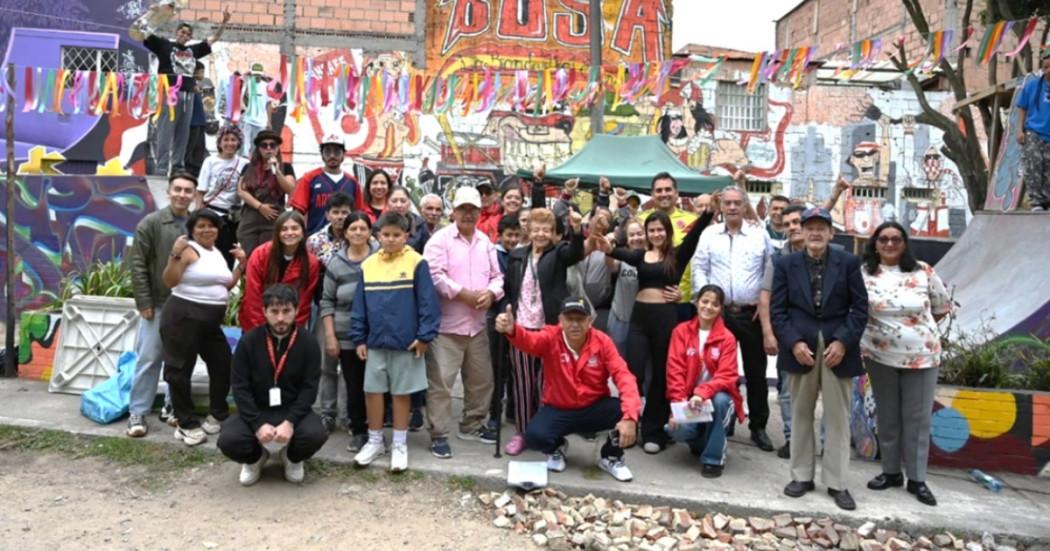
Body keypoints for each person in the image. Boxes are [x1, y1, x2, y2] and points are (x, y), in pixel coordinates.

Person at [771, 207, 868, 511]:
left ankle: (837, 482)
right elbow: (778, 311)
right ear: (801, 231)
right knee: (800, 413)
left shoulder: (848, 262)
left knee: (838, 417)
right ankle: (801, 476)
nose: (815, 233)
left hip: (838, 347)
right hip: (801, 348)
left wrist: (843, 341)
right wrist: (793, 343)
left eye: (821, 228)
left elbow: (860, 308)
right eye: (809, 227)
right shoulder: (785, 264)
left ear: (831, 232)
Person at [594, 207, 710, 454]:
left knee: (660, 375)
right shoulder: (640, 256)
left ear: (667, 232)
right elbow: (614, 250)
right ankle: (629, 422)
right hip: (639, 319)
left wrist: (709, 212)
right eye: (652, 230)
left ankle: (653, 430)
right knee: (633, 372)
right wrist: (606, 242)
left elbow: (696, 233)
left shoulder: (678, 255)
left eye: (660, 230)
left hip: (665, 319)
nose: (656, 234)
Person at [494, 297, 640, 482]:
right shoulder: (550, 337)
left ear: (590, 321)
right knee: (534, 436)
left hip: (594, 406)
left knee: (628, 412)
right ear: (560, 320)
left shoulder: (603, 342)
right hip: (559, 408)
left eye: (580, 319)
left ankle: (611, 456)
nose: (575, 324)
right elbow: (530, 341)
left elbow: (624, 376)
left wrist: (629, 417)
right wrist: (512, 330)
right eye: (569, 319)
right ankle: (557, 447)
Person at [860, 222, 950, 507]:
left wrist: (914, 332)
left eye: (896, 239)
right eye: (883, 239)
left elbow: (941, 307)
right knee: (887, 416)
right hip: (879, 356)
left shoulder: (923, 271)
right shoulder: (864, 273)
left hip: (922, 357)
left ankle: (917, 479)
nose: (889, 244)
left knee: (917, 419)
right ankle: (890, 472)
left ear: (904, 243)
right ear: (875, 243)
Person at [350, 212, 440, 472]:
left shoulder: (417, 262)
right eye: (386, 235)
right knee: (372, 391)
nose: (390, 239)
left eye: (396, 235)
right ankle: (375, 440)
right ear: (378, 236)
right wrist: (359, 338)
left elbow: (428, 303)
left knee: (401, 393)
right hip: (375, 342)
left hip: (406, 343)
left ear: (406, 236)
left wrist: (424, 336)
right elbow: (359, 305)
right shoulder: (368, 265)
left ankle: (400, 443)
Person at [691, 185, 777, 453]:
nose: (731, 207)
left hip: (750, 313)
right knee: (719, 371)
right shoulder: (709, 235)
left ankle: (758, 426)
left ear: (744, 205)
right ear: (721, 206)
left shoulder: (759, 235)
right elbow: (699, 267)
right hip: (720, 314)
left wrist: (764, 301)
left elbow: (770, 268)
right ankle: (724, 419)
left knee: (756, 373)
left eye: (736, 203)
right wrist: (705, 302)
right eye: (727, 203)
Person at [218, 283, 329, 485]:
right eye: (274, 311)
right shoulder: (248, 341)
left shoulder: (308, 343)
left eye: (286, 311)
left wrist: (290, 422)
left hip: (292, 410)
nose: (280, 318)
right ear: (264, 311)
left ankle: (292, 458)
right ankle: (255, 459)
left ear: (296, 310)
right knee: (229, 439)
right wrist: (257, 424)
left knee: (316, 434)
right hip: (258, 408)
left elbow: (310, 388)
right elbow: (240, 387)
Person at [422, 186, 505, 458]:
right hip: (446, 328)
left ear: (480, 212)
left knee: (481, 381)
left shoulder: (485, 242)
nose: (468, 214)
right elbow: (434, 275)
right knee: (441, 384)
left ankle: (472, 425)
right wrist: (462, 294)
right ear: (453, 212)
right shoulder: (439, 240)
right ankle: (438, 434)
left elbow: (498, 277)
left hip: (477, 326)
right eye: (463, 209)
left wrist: (491, 293)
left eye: (473, 209)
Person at [760, 204, 845, 458]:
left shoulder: (840, 257)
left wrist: (844, 339)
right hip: (792, 338)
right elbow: (768, 299)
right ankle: (793, 439)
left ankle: (827, 444)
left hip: (831, 339)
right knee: (788, 392)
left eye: (796, 222)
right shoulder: (779, 260)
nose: (792, 228)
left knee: (832, 398)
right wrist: (769, 333)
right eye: (787, 224)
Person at [501, 207, 585, 455]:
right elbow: (509, 289)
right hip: (521, 328)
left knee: (547, 384)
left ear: (552, 232)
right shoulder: (517, 255)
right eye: (536, 229)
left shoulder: (558, 252)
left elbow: (575, 253)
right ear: (528, 230)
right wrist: (506, 313)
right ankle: (522, 432)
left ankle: (545, 432)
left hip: (548, 328)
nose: (540, 234)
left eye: (546, 230)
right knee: (523, 384)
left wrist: (576, 230)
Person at [160, 209, 245, 445]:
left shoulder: (216, 253)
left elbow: (225, 285)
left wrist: (241, 264)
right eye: (201, 226)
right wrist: (174, 254)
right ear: (192, 230)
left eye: (211, 225)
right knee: (179, 369)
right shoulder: (189, 250)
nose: (207, 230)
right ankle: (185, 423)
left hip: (210, 322)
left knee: (223, 362)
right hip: (183, 316)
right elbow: (170, 281)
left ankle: (217, 414)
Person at [126, 173, 195, 437]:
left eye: (187, 191)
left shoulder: (198, 225)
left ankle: (172, 406)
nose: (182, 195)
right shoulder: (151, 223)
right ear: (168, 191)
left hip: (187, 305)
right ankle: (138, 412)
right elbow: (138, 264)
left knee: (180, 360)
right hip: (157, 303)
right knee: (149, 358)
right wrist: (144, 301)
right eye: (177, 189)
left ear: (194, 195)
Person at [665, 284, 746, 478]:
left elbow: (727, 375)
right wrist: (678, 405)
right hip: (691, 401)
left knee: (721, 400)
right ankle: (701, 443)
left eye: (715, 304)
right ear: (696, 302)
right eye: (705, 301)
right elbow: (674, 370)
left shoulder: (727, 338)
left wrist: (702, 394)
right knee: (675, 430)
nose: (708, 307)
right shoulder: (681, 331)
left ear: (721, 309)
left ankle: (713, 459)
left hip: (714, 399)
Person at [143, 8, 230, 176]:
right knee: (165, 130)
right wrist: (152, 14)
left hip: (189, 94)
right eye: (182, 32)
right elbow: (144, 33)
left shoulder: (193, 50)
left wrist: (224, 23)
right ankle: (161, 166)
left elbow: (213, 39)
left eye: (188, 34)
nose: (185, 35)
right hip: (170, 93)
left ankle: (177, 165)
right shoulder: (164, 45)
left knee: (183, 132)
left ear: (190, 37)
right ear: (177, 33)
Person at [320, 212, 378, 453]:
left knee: (376, 384)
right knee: (353, 384)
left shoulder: (380, 257)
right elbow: (327, 301)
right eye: (353, 229)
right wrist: (330, 336)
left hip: (376, 334)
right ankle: (359, 430)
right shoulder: (336, 263)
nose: (358, 233)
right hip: (345, 336)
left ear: (370, 232)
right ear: (345, 233)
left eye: (362, 228)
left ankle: (378, 430)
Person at [305, 192, 355, 432]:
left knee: (349, 365)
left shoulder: (358, 237)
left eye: (345, 212)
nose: (340, 217)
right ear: (327, 214)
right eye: (335, 212)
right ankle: (326, 412)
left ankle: (347, 414)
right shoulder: (314, 241)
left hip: (351, 309)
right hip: (323, 307)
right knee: (326, 362)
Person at [240, 211, 321, 333]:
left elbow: (304, 302)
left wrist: (291, 331)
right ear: (277, 232)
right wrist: (261, 330)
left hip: (288, 326)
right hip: (255, 322)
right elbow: (253, 295)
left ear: (303, 232)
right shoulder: (260, 254)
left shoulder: (311, 262)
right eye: (284, 229)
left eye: (295, 228)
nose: (290, 233)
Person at [236, 130, 297, 257]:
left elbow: (291, 189)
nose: (268, 148)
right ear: (259, 148)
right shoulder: (249, 167)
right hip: (251, 218)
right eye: (264, 145)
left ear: (278, 148)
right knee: (249, 257)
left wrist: (277, 171)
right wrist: (260, 206)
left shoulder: (286, 167)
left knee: (269, 257)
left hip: (274, 219)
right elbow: (241, 191)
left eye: (272, 145)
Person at [290, 134, 366, 235]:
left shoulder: (352, 182)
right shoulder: (308, 179)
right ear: (321, 155)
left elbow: (359, 214)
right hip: (316, 238)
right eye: (327, 151)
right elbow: (297, 213)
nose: (332, 156)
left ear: (344, 155)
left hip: (347, 239)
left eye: (337, 152)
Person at [197, 124, 248, 268]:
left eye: (233, 140)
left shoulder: (245, 163)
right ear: (219, 142)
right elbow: (200, 191)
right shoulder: (210, 161)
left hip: (232, 217)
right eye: (226, 139)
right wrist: (198, 215)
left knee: (227, 255)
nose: (229, 143)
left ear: (239, 142)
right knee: (207, 253)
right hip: (211, 212)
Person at [605, 217, 645, 358]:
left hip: (643, 320)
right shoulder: (622, 254)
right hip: (620, 316)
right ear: (627, 239)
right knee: (616, 357)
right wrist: (609, 244)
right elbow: (611, 266)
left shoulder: (653, 256)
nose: (636, 238)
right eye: (632, 235)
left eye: (639, 234)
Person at [1016, 51, 1050, 211]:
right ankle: (1036, 202)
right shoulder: (1032, 86)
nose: (1048, 70)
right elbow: (1022, 108)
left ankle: (1047, 202)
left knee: (1048, 170)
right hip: (1034, 132)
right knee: (1033, 166)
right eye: (1045, 67)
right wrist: (1019, 130)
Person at [240, 62, 274, 156]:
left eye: (258, 75)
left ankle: (255, 161)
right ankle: (245, 160)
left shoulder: (266, 86)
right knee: (245, 145)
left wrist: (269, 121)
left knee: (258, 146)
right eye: (254, 74)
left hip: (261, 122)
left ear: (261, 74)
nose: (256, 77)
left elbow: (268, 104)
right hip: (248, 120)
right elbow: (242, 99)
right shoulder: (247, 84)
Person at [386, 185, 431, 253]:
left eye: (403, 201)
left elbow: (428, 252)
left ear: (409, 203)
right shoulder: (379, 225)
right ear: (387, 203)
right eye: (394, 201)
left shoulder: (420, 224)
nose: (399, 205)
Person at [183, 62, 208, 176]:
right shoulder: (190, 85)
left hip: (200, 121)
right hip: (192, 121)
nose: (203, 74)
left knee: (199, 147)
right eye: (201, 72)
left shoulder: (199, 85)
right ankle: (188, 167)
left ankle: (197, 168)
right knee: (191, 146)